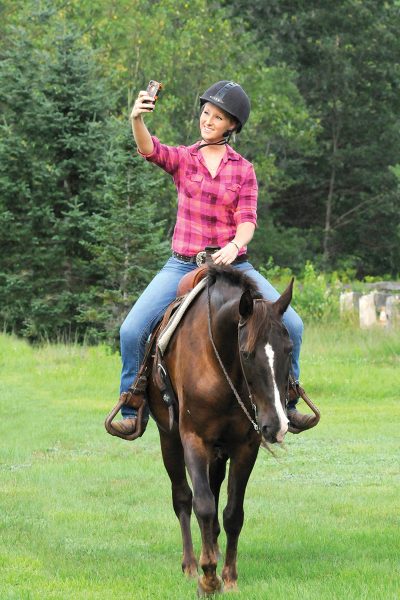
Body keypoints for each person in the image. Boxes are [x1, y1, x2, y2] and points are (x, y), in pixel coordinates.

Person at [110, 80, 315, 438]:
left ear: (232, 126)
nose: (208, 120)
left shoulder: (244, 170)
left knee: (293, 326)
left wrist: (235, 246)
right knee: (131, 330)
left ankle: (289, 397)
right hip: (183, 263)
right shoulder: (184, 159)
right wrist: (136, 120)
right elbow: (149, 149)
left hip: (233, 268)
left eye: (217, 117)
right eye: (206, 112)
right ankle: (133, 405)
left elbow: (248, 221)